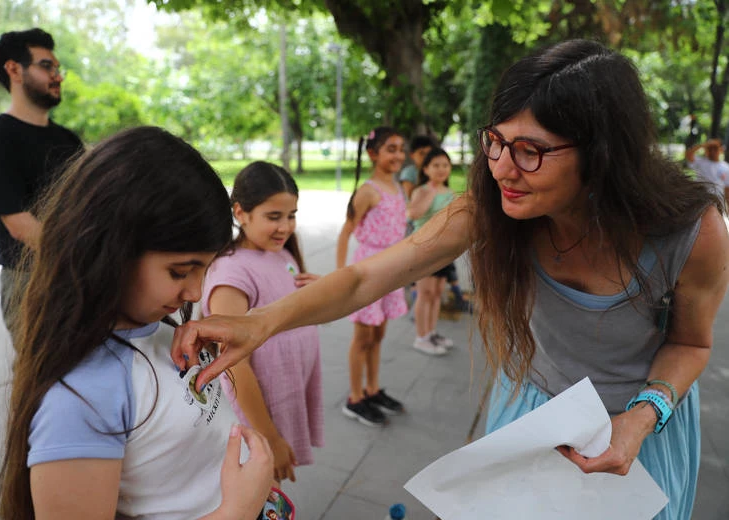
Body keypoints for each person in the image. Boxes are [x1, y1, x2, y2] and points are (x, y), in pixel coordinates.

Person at [171, 40, 729, 520]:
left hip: (641, 431)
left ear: (603, 154)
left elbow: (691, 344)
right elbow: (364, 278)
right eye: (496, 142)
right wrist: (260, 323)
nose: (502, 169)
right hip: (534, 415)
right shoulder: (492, 206)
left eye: (530, 151)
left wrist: (643, 416)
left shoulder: (690, 231)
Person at [0, 127, 274, 520]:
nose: (196, 292)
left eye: (205, 269)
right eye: (180, 271)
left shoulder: (158, 326)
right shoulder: (81, 400)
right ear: (109, 250)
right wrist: (236, 512)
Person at [201, 161, 324, 484]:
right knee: (260, 491)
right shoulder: (231, 273)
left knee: (272, 491)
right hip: (258, 418)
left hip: (283, 396)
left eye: (291, 215)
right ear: (240, 213)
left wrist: (319, 296)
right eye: (274, 217)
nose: (285, 227)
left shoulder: (281, 254)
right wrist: (269, 437)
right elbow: (234, 365)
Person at [0, 28, 83, 334]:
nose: (57, 76)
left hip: (79, 273)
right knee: (51, 366)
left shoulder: (68, 140)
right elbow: (20, 226)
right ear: (14, 70)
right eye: (46, 66)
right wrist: (82, 258)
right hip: (32, 282)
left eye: (57, 68)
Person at [335, 127, 408, 427]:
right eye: (391, 149)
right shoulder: (367, 191)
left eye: (401, 149)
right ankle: (355, 398)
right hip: (368, 269)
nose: (398, 155)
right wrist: (341, 275)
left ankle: (372, 389)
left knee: (378, 334)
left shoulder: (398, 187)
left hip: (391, 269)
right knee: (363, 337)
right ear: (373, 153)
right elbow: (345, 233)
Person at [406, 147, 456, 356]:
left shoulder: (451, 194)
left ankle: (431, 333)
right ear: (425, 169)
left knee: (436, 294)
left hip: (443, 251)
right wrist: (431, 193)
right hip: (424, 249)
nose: (441, 169)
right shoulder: (421, 191)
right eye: (436, 165)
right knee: (424, 294)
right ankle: (421, 337)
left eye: (445, 165)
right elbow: (413, 214)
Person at [398, 135, 435, 199]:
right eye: (421, 153)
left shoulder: (435, 170)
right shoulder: (408, 172)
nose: (426, 157)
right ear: (412, 155)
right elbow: (409, 195)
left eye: (429, 154)